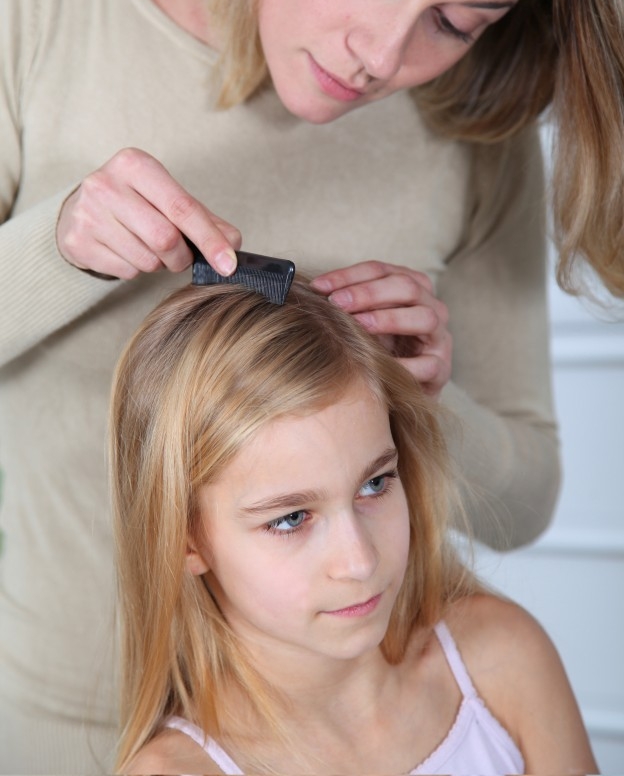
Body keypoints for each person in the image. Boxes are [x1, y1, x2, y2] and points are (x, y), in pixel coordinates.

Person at [1, 0, 623, 770]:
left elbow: (522, 503)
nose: (382, 55)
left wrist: (415, 395)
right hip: (60, 722)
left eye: (456, 21)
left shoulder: (469, 130)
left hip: (354, 734)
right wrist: (57, 248)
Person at [110, 278, 597, 775]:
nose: (360, 560)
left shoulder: (502, 660)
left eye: (375, 484)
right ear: (186, 540)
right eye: (291, 518)